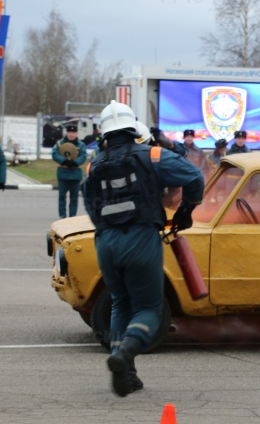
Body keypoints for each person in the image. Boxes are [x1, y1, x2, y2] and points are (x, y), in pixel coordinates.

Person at [83, 101, 204, 397]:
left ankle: (126, 373)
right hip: (140, 238)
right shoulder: (152, 154)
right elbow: (194, 177)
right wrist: (186, 211)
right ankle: (125, 353)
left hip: (105, 242)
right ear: (133, 127)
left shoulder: (94, 165)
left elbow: (91, 206)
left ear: (104, 132)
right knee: (149, 309)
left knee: (120, 304)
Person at [52, 124, 87, 218]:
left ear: (76, 133)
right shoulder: (60, 143)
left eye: (73, 132)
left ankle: (72, 215)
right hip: (63, 173)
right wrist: (64, 161)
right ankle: (62, 216)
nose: (71, 134)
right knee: (62, 196)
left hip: (75, 174)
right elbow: (54, 154)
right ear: (67, 133)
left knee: (74, 197)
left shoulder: (81, 145)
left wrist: (76, 163)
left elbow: (83, 156)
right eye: (70, 132)